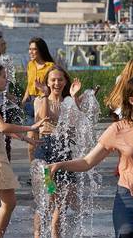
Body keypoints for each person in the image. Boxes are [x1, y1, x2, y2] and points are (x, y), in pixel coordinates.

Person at [48, 77, 133, 238]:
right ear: (132, 100)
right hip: (127, 201)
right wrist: (59, 165)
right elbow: (87, 162)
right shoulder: (117, 129)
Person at [0, 64, 45, 238]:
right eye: (3, 76)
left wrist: (24, 137)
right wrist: (30, 127)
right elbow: (1, 126)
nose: (7, 80)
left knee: (10, 202)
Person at [32, 66, 84, 238]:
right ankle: (38, 234)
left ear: (65, 81)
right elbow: (44, 118)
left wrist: (75, 98)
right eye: (53, 79)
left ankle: (55, 232)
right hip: (46, 153)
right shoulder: (40, 100)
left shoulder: (69, 102)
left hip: (65, 153)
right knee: (49, 196)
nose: (56, 83)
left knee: (64, 198)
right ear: (47, 82)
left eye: (60, 79)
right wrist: (46, 95)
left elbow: (75, 127)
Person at [22, 37, 54, 161]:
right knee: (31, 144)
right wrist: (24, 98)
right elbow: (29, 84)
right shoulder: (30, 65)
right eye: (29, 49)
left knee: (42, 142)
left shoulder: (50, 66)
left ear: (41, 50)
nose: (31, 52)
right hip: (30, 103)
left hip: (43, 104)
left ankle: (45, 173)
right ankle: (33, 175)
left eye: (34, 49)